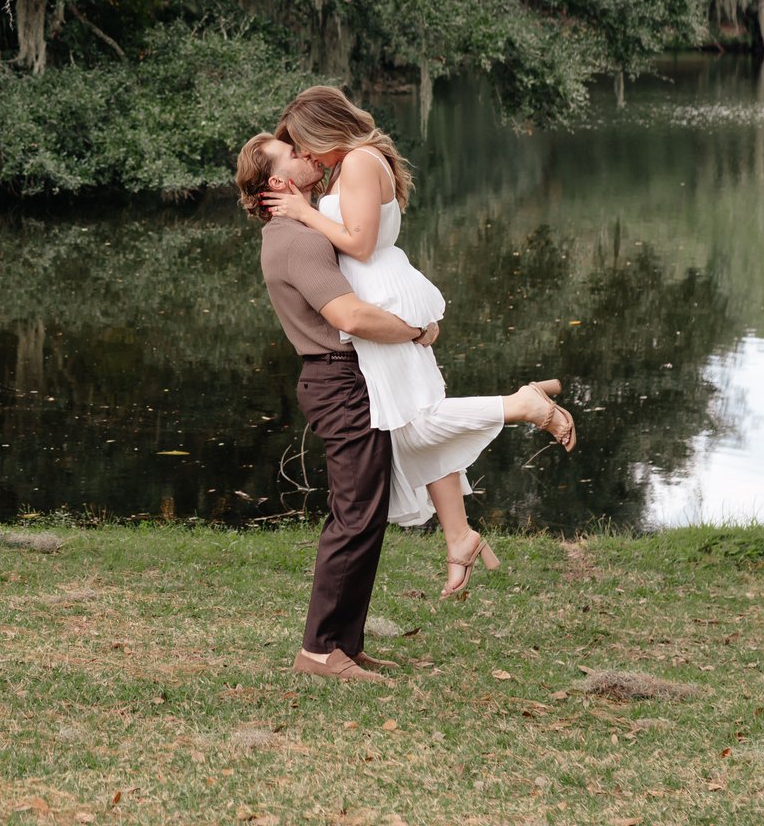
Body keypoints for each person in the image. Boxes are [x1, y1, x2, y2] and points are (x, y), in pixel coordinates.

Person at [258, 86, 577, 599]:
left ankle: (521, 405)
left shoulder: (360, 161)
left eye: (304, 144)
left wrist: (303, 213)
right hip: (382, 292)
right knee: (410, 429)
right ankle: (459, 537)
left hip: (380, 296)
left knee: (415, 422)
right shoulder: (352, 164)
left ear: (324, 128)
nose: (306, 156)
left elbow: (358, 243)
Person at [239, 133, 438, 683]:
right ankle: (320, 651)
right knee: (353, 515)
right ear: (279, 183)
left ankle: (344, 643)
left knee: (364, 514)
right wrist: (417, 330)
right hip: (339, 383)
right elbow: (350, 316)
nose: (308, 157)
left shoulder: (302, 228)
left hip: (350, 380)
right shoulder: (296, 242)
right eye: (295, 157)